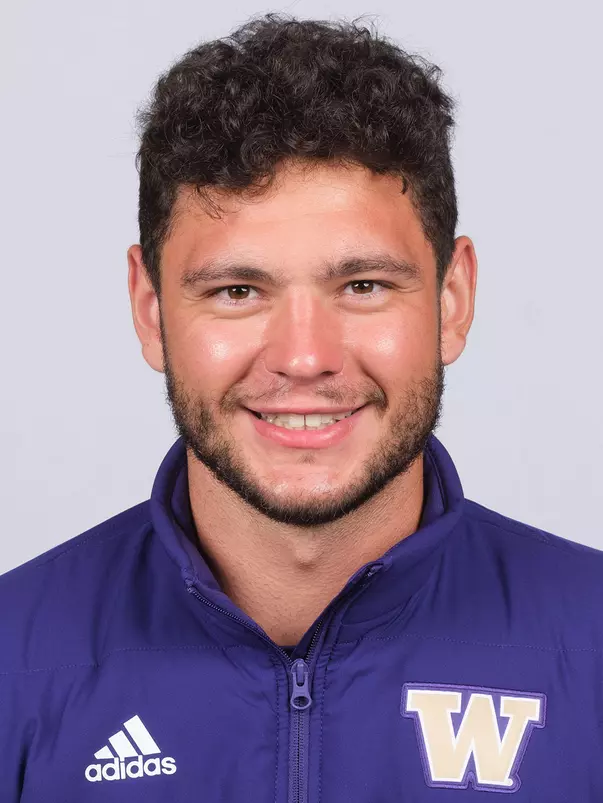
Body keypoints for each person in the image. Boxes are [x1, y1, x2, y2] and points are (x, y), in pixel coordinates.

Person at [1, 12, 602, 801]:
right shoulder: (13, 659)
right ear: (150, 309)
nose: (304, 357)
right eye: (237, 291)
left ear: (452, 299)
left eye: (363, 285)